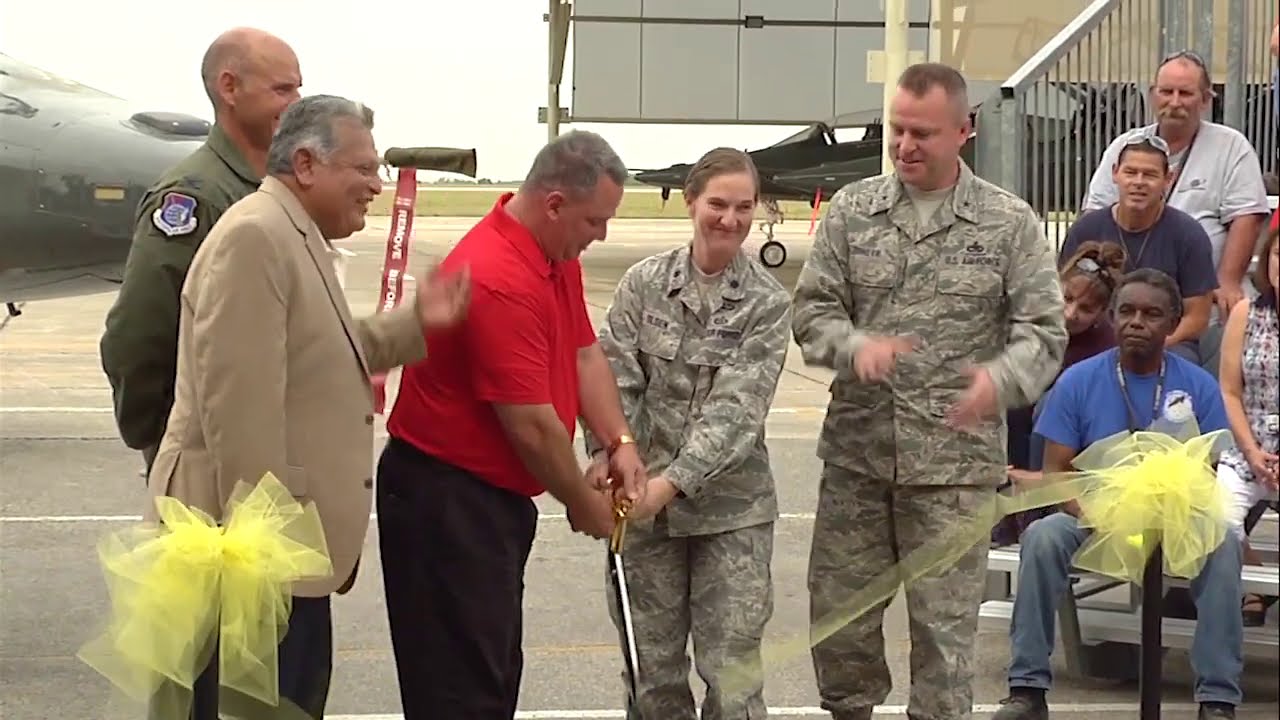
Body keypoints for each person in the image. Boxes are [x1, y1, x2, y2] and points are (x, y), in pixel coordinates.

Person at [142, 94, 471, 720]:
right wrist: (261, 564)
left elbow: (322, 358)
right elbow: (239, 409)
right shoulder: (256, 238)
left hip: (281, 553)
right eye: (363, 168)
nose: (376, 184)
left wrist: (416, 325)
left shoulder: (293, 234)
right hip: (254, 560)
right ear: (306, 163)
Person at [790, 62, 1068, 720]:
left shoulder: (1008, 224)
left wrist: (999, 381)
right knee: (842, 632)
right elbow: (811, 315)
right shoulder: (853, 213)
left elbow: (1045, 333)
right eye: (896, 130)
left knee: (945, 645)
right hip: (859, 464)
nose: (905, 146)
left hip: (954, 471)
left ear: (963, 131)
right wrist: (853, 347)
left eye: (922, 133)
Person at [374, 129, 648, 719]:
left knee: (492, 677)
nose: (601, 235)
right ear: (554, 204)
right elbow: (531, 427)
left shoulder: (551, 253)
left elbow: (582, 351)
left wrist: (617, 440)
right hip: (447, 502)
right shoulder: (498, 273)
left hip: (490, 504)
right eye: (595, 221)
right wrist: (581, 502)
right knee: (459, 692)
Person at [586, 147, 791, 719]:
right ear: (690, 201)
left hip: (732, 518)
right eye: (718, 204)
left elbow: (737, 413)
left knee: (732, 679)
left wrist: (667, 485)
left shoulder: (767, 304)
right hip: (641, 513)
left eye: (744, 207)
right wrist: (609, 453)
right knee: (651, 676)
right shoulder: (643, 285)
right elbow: (612, 381)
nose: (730, 219)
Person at [992, 268, 1245, 720]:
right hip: (1092, 516)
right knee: (1043, 537)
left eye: (1151, 314)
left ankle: (1218, 698)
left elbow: (1204, 473)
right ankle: (1027, 689)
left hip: (1174, 517)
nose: (1136, 322)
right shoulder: (1078, 380)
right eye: (1126, 311)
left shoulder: (1198, 385)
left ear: (1172, 323)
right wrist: (1095, 511)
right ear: (1113, 317)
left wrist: (1164, 509)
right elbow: (1055, 472)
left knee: (1223, 544)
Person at [100, 27, 303, 475]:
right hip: (205, 454)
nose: (297, 104)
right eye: (282, 89)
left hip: (254, 444)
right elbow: (139, 328)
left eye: (298, 88)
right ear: (229, 88)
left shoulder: (266, 190)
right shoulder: (197, 197)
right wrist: (159, 434)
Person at [1081, 51, 1271, 319]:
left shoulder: (1232, 146)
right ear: (1152, 95)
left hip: (1201, 290)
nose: (1174, 101)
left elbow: (1247, 217)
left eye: (1185, 93)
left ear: (1205, 99)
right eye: (1166, 91)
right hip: (1122, 291)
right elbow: (1094, 213)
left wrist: (1227, 280)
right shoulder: (1124, 145)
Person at [995, 240, 1124, 546]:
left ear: (1102, 313)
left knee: (1050, 407)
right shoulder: (1030, 321)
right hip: (1024, 422)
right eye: (1066, 298)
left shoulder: (1105, 345)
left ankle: (1039, 509)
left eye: (1086, 309)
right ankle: (1006, 501)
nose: (1070, 313)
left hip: (1079, 433)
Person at [1062, 134, 1218, 362]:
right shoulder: (1086, 228)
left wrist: (1154, 346)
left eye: (1150, 175)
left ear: (1169, 179)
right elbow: (1061, 293)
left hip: (1167, 344)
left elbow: (1197, 317)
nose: (1138, 182)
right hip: (1092, 341)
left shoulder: (1189, 235)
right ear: (1115, 173)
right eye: (1130, 172)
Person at [1216, 226, 1279, 626]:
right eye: (1278, 255)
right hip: (1248, 447)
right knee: (1216, 519)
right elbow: (1229, 391)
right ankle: (1257, 582)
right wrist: (1253, 452)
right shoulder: (1245, 312)